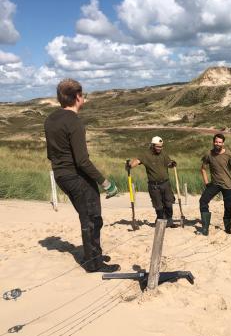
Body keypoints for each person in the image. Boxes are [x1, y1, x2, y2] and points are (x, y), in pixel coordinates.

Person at [44, 78, 120, 273]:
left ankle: (94, 255)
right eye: (82, 95)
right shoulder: (74, 122)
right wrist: (106, 183)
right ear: (77, 97)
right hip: (75, 176)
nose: (83, 98)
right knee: (92, 219)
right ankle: (93, 263)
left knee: (87, 216)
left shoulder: (50, 119)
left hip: (60, 175)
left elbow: (50, 154)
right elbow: (83, 161)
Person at [198, 133, 231, 235]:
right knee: (203, 201)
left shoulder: (228, 154)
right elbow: (203, 169)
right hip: (215, 184)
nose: (217, 144)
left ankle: (228, 229)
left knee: (228, 208)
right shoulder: (208, 154)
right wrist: (207, 183)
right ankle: (205, 229)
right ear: (213, 142)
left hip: (228, 185)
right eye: (216, 142)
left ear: (223, 143)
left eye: (220, 142)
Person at [126, 136, 178, 228]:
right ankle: (160, 221)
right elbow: (137, 161)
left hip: (166, 184)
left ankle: (170, 221)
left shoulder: (164, 154)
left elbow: (169, 164)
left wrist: (172, 164)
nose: (160, 148)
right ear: (152, 145)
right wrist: (130, 165)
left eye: (161, 146)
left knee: (169, 203)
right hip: (154, 186)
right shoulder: (145, 155)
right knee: (158, 206)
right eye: (158, 146)